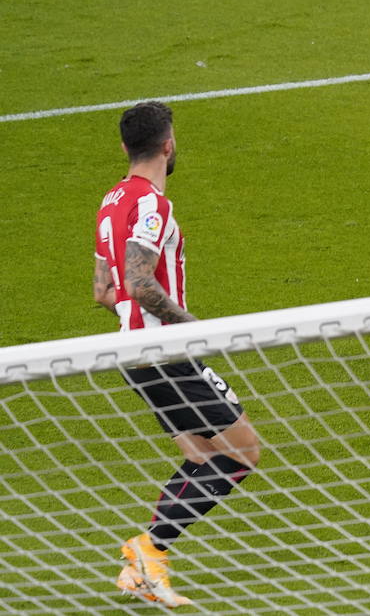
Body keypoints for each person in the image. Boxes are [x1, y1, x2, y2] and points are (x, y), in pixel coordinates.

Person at [93, 101, 261, 609]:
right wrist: (195, 328)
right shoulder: (151, 204)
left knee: (199, 457)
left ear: (126, 147)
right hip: (165, 351)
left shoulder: (110, 201)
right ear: (168, 145)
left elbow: (106, 290)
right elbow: (141, 283)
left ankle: (144, 567)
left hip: (132, 352)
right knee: (241, 453)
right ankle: (149, 551)